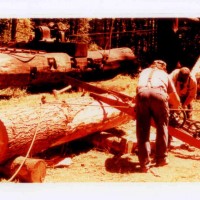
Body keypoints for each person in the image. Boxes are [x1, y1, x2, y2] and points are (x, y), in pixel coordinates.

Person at [135, 60, 180, 173]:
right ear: (163, 68)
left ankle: (144, 164)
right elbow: (173, 96)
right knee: (162, 127)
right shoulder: (164, 74)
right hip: (159, 95)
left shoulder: (144, 71)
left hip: (142, 95)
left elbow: (137, 91)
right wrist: (177, 107)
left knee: (143, 131)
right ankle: (161, 159)